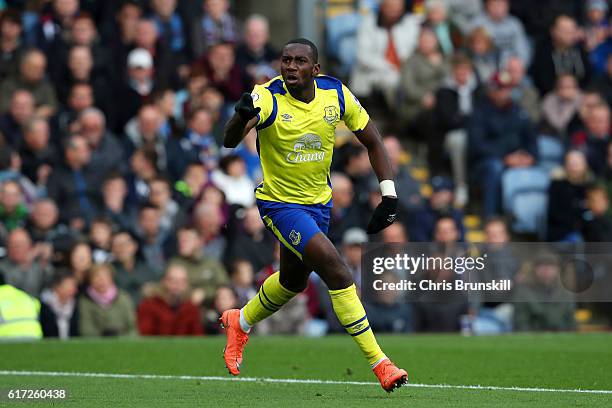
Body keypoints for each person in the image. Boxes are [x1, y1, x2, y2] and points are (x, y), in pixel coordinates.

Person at [222, 38, 407, 392]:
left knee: (293, 282)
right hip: (280, 204)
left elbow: (373, 139)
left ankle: (240, 321)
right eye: (285, 59)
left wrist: (389, 194)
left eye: (299, 61)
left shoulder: (335, 94)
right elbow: (230, 140)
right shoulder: (266, 96)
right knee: (337, 269)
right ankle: (381, 363)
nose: (290, 66)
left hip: (319, 204)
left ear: (315, 69)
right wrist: (241, 116)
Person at [137, 263, 203, 336]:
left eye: (182, 281)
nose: (177, 285)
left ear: (186, 284)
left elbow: (198, 337)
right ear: (164, 281)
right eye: (173, 280)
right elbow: (145, 336)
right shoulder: (149, 306)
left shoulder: (191, 308)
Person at [79, 263, 136, 337]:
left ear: (111, 278)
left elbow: (132, 328)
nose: (101, 280)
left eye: (105, 276)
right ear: (90, 280)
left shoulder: (124, 298)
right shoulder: (85, 301)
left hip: (123, 342)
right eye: (97, 277)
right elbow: (86, 330)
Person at [39, 270, 79, 338]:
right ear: (57, 286)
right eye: (69, 285)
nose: (74, 289)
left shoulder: (75, 305)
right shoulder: (43, 305)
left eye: (74, 285)